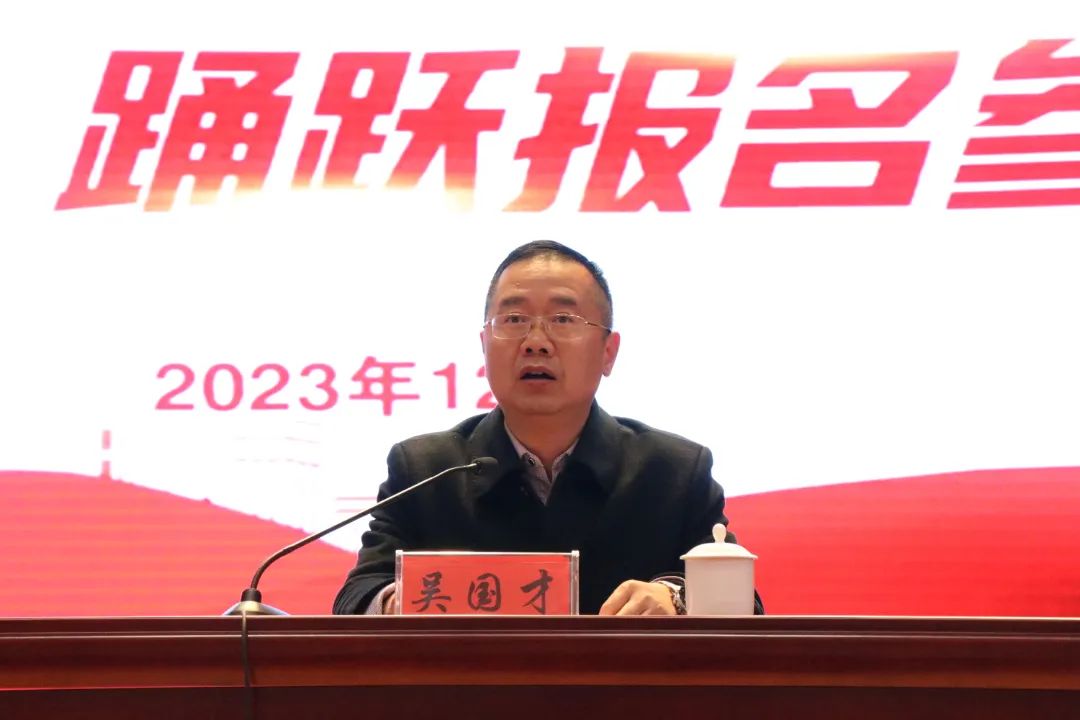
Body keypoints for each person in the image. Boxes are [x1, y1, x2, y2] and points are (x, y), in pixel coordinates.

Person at [333, 240, 762, 616]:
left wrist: (675, 598)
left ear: (608, 352)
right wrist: (400, 603)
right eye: (514, 319)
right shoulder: (426, 469)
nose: (536, 342)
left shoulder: (673, 471)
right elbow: (358, 595)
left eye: (563, 319)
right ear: (484, 345)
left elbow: (743, 602)